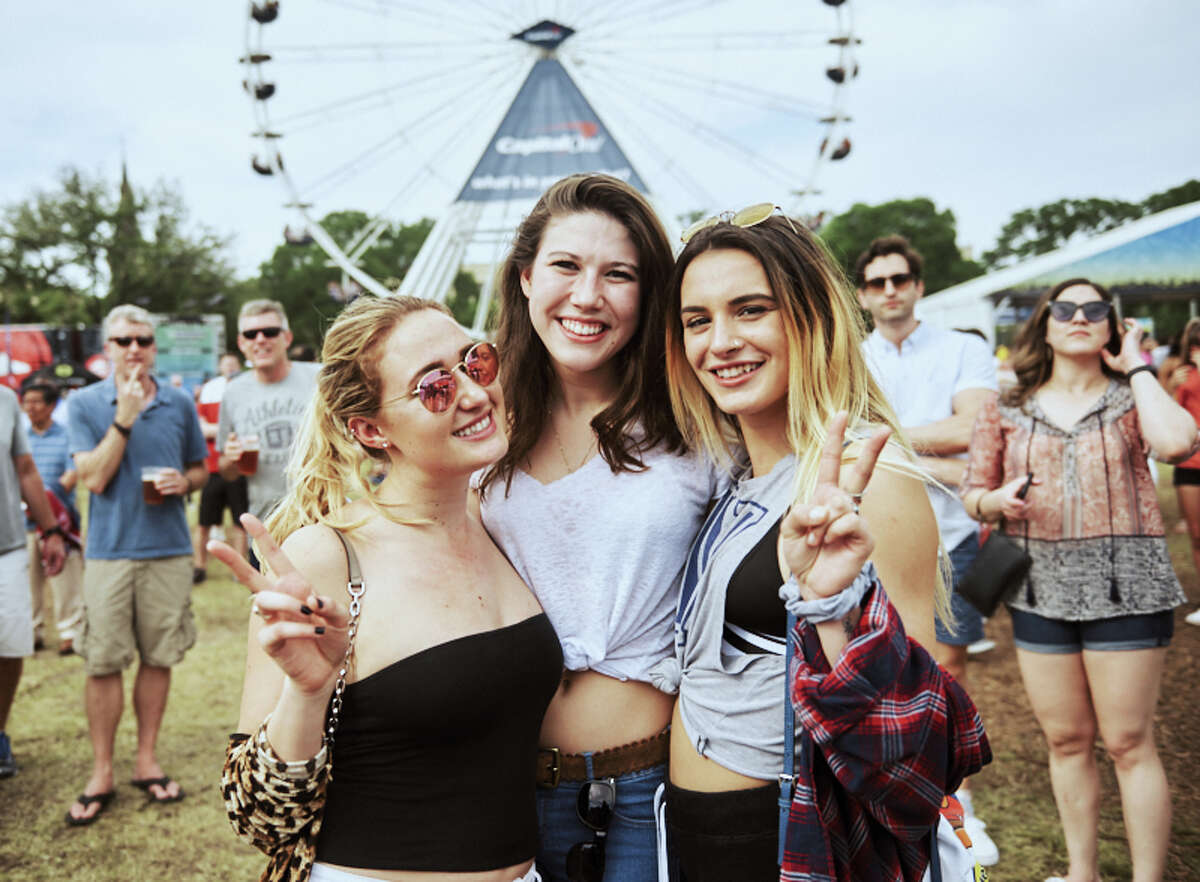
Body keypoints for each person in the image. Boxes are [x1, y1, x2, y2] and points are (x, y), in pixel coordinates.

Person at [661, 209, 990, 880]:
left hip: (788, 837)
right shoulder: (731, 481)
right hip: (694, 838)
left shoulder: (876, 485)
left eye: (750, 311)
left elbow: (915, 741)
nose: (719, 342)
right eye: (697, 320)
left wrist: (835, 605)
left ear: (811, 318)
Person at [215, 294, 558, 882]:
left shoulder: (499, 521)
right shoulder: (327, 556)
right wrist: (305, 691)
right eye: (434, 388)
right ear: (370, 430)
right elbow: (258, 818)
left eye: (474, 362)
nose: (475, 394)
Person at [476, 174, 723, 882]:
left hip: (647, 785)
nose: (588, 297)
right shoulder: (478, 429)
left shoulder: (696, 425)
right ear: (525, 277)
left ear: (648, 295)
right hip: (497, 785)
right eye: (565, 266)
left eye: (619, 274)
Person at [961, 278, 1196, 882]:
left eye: (1095, 309)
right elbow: (971, 496)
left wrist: (1139, 366)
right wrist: (994, 500)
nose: (1079, 317)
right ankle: (1082, 873)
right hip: (1040, 588)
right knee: (1066, 740)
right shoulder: (1006, 405)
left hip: (1129, 585)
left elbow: (1177, 441)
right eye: (1065, 308)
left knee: (1127, 741)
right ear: (1043, 323)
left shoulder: (1131, 398)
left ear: (1112, 325)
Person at [855, 235, 1000, 864]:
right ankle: (888, 798)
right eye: (878, 281)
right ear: (863, 294)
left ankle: (953, 807)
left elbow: (976, 428)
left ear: (918, 284)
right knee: (873, 678)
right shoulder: (849, 357)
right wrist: (934, 450)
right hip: (872, 541)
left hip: (955, 535)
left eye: (900, 278)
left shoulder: (964, 349)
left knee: (947, 672)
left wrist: (883, 441)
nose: (890, 290)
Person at [65, 304, 209, 824]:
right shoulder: (84, 403)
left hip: (168, 550)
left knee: (158, 657)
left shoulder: (177, 402)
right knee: (102, 662)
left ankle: (146, 760)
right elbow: (94, 479)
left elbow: (199, 468)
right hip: (109, 553)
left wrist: (185, 483)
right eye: (123, 340)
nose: (134, 349)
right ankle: (101, 769)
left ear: (154, 347)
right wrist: (123, 418)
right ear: (107, 347)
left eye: (143, 340)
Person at [0, 385, 68, 778]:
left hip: (7, 545)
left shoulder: (6, 400)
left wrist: (51, 530)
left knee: (10, 647)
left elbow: (25, 469)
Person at [219, 300, 320, 530]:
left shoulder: (319, 379)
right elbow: (227, 470)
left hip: (323, 518)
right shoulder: (233, 392)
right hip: (267, 525)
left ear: (287, 338)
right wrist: (232, 459)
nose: (260, 339)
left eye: (270, 332)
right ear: (241, 343)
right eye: (251, 334)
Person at [22, 381, 85, 656]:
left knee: (65, 579)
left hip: (59, 521)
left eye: (37, 402)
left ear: (51, 406)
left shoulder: (67, 436)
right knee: (27, 580)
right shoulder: (21, 438)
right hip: (24, 523)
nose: (30, 407)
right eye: (27, 401)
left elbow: (72, 475)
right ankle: (31, 631)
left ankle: (70, 632)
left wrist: (46, 499)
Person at [193, 353, 248, 582]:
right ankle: (199, 567)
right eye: (226, 364)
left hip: (238, 469)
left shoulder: (246, 391)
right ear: (219, 367)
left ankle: (240, 570)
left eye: (234, 364)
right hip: (213, 468)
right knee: (204, 522)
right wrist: (227, 431)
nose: (230, 368)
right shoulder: (209, 392)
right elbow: (202, 429)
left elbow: (248, 428)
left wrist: (217, 430)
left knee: (240, 522)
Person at [1169, 319, 1200, 626]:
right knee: (1197, 535)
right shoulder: (1181, 374)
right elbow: (1166, 416)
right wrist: (1172, 387)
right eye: (1194, 345)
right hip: (1189, 465)